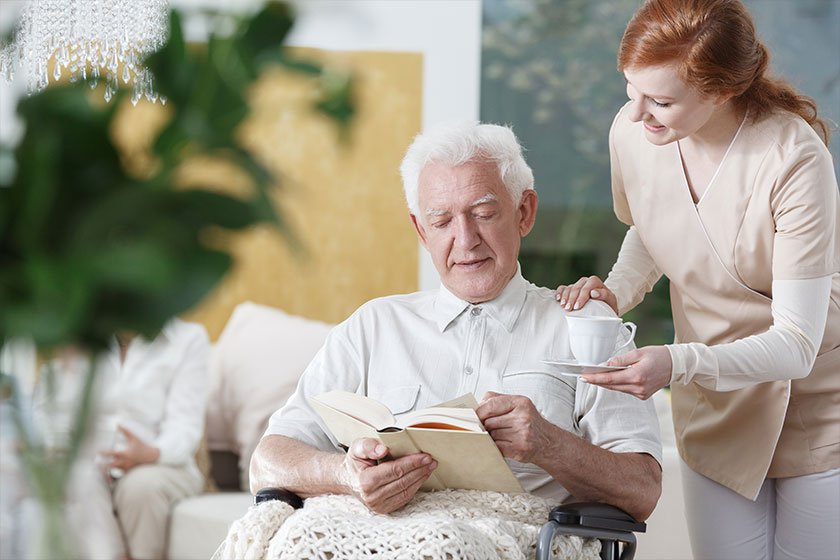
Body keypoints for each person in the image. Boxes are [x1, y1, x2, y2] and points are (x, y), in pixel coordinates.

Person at [250, 121, 663, 523]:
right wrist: (345, 475)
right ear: (421, 230)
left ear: (524, 212)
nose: (465, 241)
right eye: (442, 222)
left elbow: (642, 490)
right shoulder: (373, 326)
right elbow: (268, 461)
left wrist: (550, 445)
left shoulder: (586, 325)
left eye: (483, 213)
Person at [554, 0, 840, 557]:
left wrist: (675, 363)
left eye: (660, 100)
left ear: (720, 91)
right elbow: (654, 223)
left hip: (814, 403)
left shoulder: (793, 158)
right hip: (715, 401)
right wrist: (618, 290)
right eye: (629, 90)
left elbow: (799, 346)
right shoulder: (635, 132)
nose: (637, 114)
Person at [35, 318, 209, 560]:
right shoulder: (80, 337)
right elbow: (52, 415)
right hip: (92, 464)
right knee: (78, 479)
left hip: (162, 464)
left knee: (141, 488)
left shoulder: (188, 338)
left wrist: (151, 453)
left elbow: (185, 426)